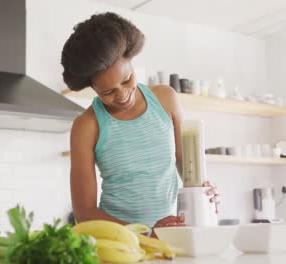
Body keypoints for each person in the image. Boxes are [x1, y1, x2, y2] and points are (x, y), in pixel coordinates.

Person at [61, 12, 219, 230]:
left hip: (168, 236)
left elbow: (186, 166)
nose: (122, 94)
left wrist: (204, 189)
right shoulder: (86, 126)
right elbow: (84, 212)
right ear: (92, 87)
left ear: (132, 62)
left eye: (127, 79)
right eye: (107, 91)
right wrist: (145, 233)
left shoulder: (165, 98)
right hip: (118, 241)